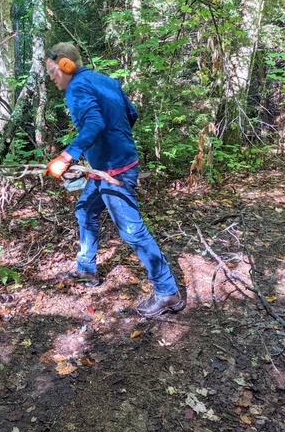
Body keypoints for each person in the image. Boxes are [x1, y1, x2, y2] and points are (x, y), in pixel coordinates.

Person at [44, 42, 184, 318]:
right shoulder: (105, 81)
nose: (51, 78)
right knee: (85, 209)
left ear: (66, 65)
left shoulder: (77, 88)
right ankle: (86, 270)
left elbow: (94, 125)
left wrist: (67, 156)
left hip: (114, 172)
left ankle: (168, 293)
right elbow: (131, 114)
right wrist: (109, 147)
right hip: (105, 169)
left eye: (52, 71)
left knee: (132, 231)